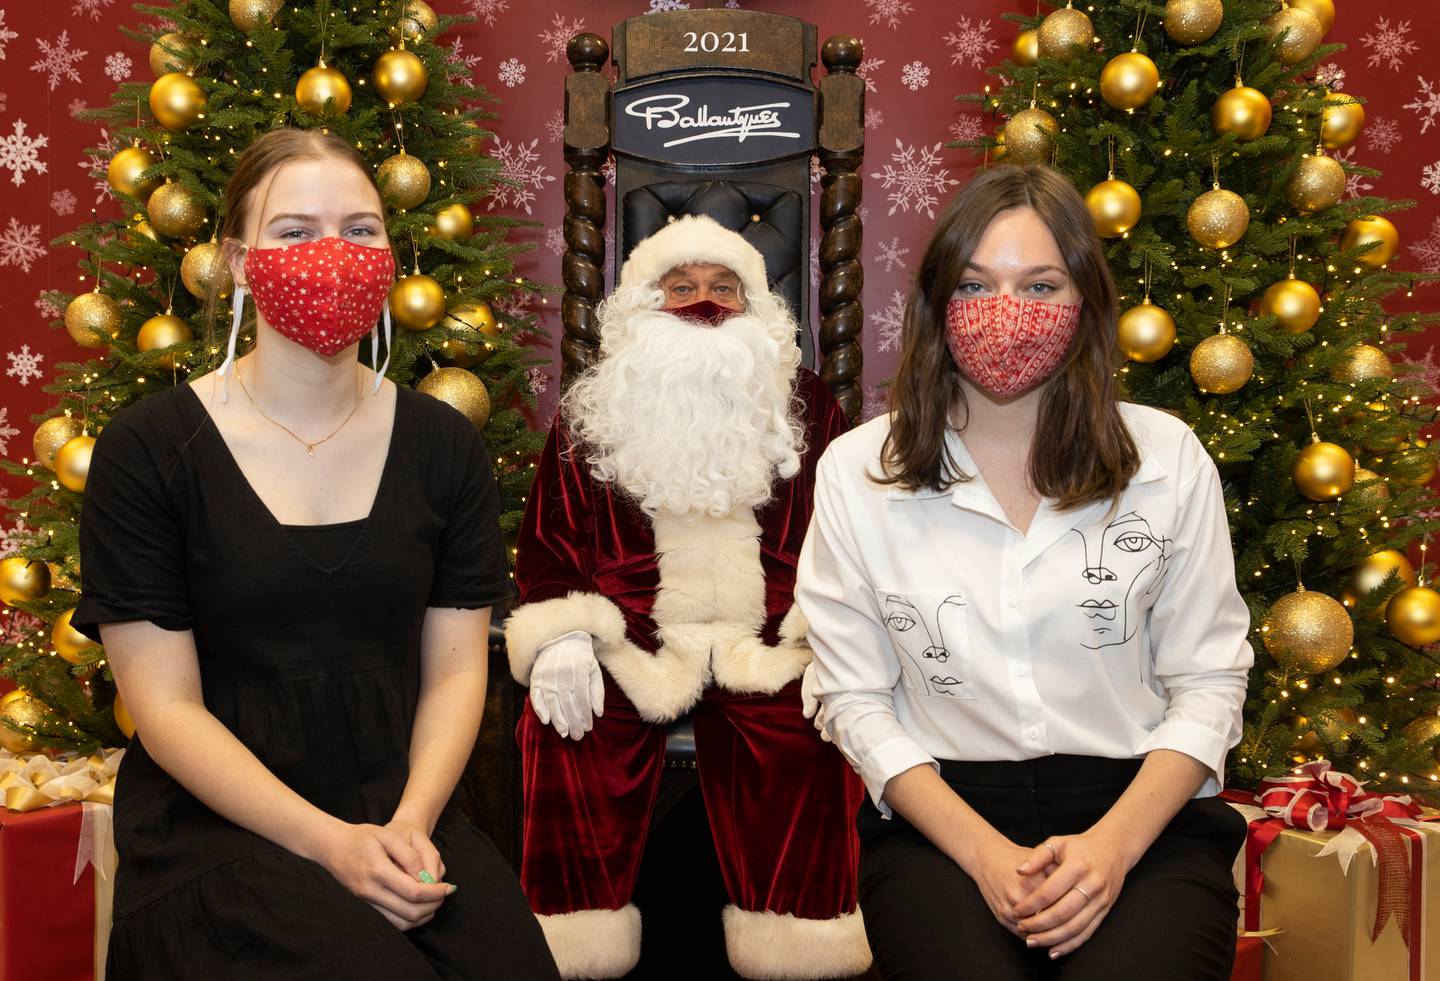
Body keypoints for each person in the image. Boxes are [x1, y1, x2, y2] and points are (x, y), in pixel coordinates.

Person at [72, 128, 559, 980]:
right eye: (295, 231)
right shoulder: (150, 449)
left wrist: (409, 825)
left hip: (402, 809)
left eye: (361, 229)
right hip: (216, 829)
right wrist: (332, 845)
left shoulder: (445, 446)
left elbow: (453, 673)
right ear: (237, 258)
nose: (333, 255)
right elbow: (165, 708)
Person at [794, 164, 1252, 981]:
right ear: (937, 303)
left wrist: (1111, 849)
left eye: (1041, 285)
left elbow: (1210, 679)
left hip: (1144, 815)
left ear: (1086, 304)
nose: (1008, 312)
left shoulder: (1166, 459)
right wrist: (986, 855)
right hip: (943, 823)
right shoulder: (857, 471)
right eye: (977, 285)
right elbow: (855, 699)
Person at [504, 215, 870, 980]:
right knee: (569, 731)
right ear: (647, 303)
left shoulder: (806, 401)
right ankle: (575, 951)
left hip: (768, 636)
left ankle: (801, 955)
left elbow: (846, 535)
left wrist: (835, 637)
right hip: (635, 639)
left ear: (755, 306)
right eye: (682, 288)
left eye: (723, 288)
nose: (704, 304)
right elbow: (551, 540)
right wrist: (563, 634)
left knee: (810, 735)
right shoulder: (592, 410)